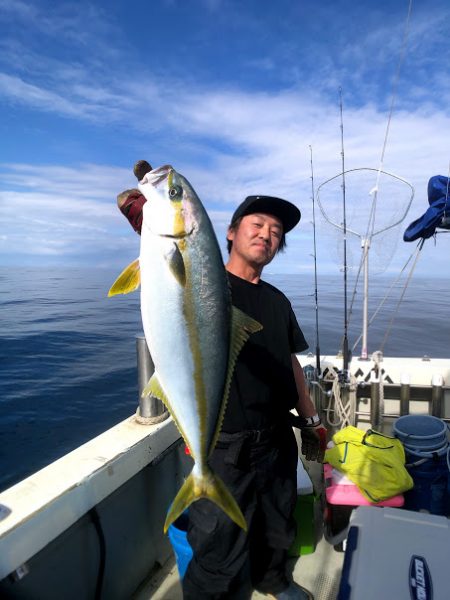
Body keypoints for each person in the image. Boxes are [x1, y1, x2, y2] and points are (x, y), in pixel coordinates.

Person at [117, 162, 327, 600]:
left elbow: (289, 363)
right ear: (228, 233)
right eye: (257, 224)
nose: (267, 234)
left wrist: (311, 422)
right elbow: (181, 282)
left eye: (276, 231)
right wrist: (150, 225)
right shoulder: (210, 283)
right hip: (224, 444)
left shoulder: (276, 301)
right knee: (219, 545)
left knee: (277, 523)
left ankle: (274, 582)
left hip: (276, 438)